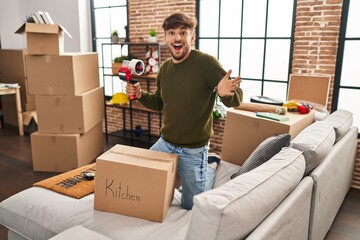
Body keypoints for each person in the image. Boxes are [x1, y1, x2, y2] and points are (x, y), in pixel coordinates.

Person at [126, 13, 243, 210]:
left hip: (193, 150)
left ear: (192, 37)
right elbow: (160, 103)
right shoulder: (164, 69)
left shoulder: (206, 64)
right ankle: (201, 171)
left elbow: (237, 97)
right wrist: (140, 94)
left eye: (183, 32)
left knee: (191, 205)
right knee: (141, 175)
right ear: (165, 38)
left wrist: (224, 94)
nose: (177, 37)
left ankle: (209, 168)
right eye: (171, 33)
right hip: (166, 143)